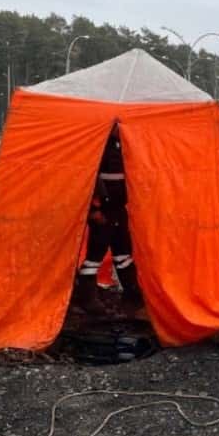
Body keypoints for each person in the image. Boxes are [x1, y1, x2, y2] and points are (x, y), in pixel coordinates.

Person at [72, 125, 144, 317]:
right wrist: (94, 209)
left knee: (124, 253)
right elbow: (89, 177)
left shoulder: (124, 145)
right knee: (96, 254)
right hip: (102, 212)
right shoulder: (99, 145)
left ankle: (132, 295)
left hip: (118, 209)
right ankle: (86, 297)